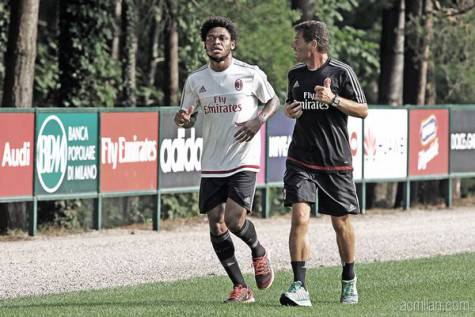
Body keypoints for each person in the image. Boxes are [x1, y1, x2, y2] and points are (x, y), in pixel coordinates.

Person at [174, 16, 279, 303]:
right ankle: (240, 288)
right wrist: (182, 119)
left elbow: (273, 101)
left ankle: (258, 250)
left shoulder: (250, 73)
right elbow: (184, 116)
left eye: (221, 38)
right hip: (212, 162)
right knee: (216, 225)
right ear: (204, 44)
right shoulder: (196, 80)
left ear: (232, 43)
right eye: (210, 38)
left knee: (234, 220)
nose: (216, 42)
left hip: (243, 158)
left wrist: (259, 120)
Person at [279, 20, 368, 307]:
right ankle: (299, 286)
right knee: (299, 217)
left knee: (340, 222)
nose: (294, 45)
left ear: (313, 44)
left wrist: (333, 99)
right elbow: (291, 105)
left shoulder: (341, 72)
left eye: (297, 40)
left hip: (335, 161)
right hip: (301, 159)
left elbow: (363, 110)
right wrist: (290, 111)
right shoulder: (294, 74)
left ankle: (349, 279)